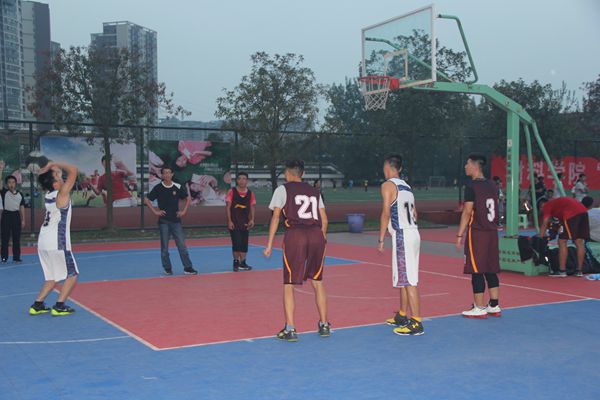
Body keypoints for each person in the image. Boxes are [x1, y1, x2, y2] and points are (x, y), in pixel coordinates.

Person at [263, 159, 329, 342]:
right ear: (303, 173)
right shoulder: (315, 191)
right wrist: (321, 238)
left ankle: (290, 329)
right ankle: (324, 324)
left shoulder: (282, 190)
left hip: (296, 235)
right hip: (316, 235)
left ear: (287, 173)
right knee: (318, 281)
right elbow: (324, 220)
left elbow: (276, 217)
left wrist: (269, 244)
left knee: (289, 283)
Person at [378, 154, 424, 336]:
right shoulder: (407, 186)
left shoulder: (387, 185)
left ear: (388, 167)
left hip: (403, 235)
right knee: (404, 278)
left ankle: (416, 322)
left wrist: (381, 239)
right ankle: (403, 315)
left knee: (409, 280)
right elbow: (415, 214)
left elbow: (385, 213)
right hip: (413, 233)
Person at [30, 161, 80, 316]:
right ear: (55, 182)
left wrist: (50, 168)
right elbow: (73, 170)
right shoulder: (61, 194)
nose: (60, 175)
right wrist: (53, 163)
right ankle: (59, 306)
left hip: (43, 241)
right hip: (57, 242)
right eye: (58, 175)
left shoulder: (49, 194)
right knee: (72, 275)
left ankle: (37, 305)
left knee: (52, 276)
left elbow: (58, 176)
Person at [455, 154, 501, 318]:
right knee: (490, 268)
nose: (465, 166)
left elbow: (467, 212)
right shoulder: (492, 185)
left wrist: (459, 234)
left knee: (476, 269)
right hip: (492, 232)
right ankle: (494, 305)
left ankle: (479, 307)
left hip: (478, 232)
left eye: (467, 164)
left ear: (475, 166)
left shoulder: (471, 186)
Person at [144, 166, 198, 276]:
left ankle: (188, 268)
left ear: (172, 174)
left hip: (176, 221)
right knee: (164, 248)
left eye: (169, 173)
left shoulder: (177, 186)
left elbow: (188, 198)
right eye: (165, 173)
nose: (167, 175)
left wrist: (183, 211)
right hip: (163, 222)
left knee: (182, 246)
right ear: (162, 175)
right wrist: (155, 212)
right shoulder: (158, 187)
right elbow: (146, 199)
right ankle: (167, 268)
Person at [539, 196, 589, 277]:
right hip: (583, 212)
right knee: (579, 241)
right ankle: (579, 271)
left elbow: (545, 223)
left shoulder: (546, 206)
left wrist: (539, 238)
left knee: (562, 241)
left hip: (572, 213)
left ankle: (562, 271)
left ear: (541, 206)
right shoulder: (557, 206)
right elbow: (557, 224)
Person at [226, 171, 255, 272]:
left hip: (245, 222)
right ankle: (235, 262)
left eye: (244, 179)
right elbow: (228, 207)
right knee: (236, 243)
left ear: (247, 181)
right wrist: (229, 221)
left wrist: (252, 219)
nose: (242, 181)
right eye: (239, 179)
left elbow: (252, 207)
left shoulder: (250, 193)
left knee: (244, 244)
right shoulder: (232, 191)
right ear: (237, 181)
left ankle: (243, 263)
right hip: (234, 222)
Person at [0, 175, 26, 263]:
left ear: (16, 183)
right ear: (7, 184)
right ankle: (4, 257)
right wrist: (1, 170)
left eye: (13, 182)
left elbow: (22, 207)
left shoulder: (20, 194)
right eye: (9, 182)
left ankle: (16, 257)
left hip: (16, 216)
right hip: (6, 215)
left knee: (16, 238)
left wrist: (23, 220)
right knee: (5, 238)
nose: (11, 184)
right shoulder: (4, 192)